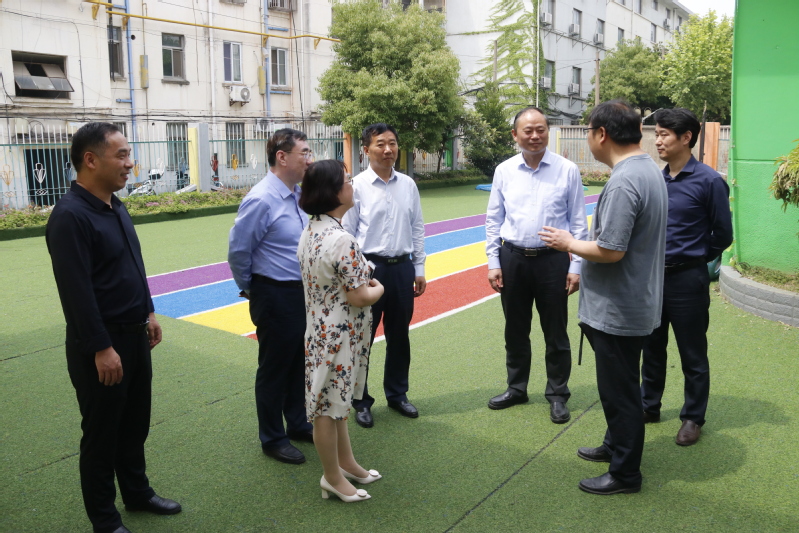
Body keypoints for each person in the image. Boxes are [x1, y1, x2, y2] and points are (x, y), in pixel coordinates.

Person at [46, 123, 181, 533]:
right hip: (101, 343)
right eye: (121, 155)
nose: (129, 163)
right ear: (90, 160)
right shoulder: (70, 216)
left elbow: (132, 265)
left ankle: (137, 493)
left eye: (129, 154)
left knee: (134, 425)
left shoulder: (114, 206)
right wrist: (101, 348)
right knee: (102, 433)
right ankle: (105, 519)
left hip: (135, 333)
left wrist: (149, 312)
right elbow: (77, 293)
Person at [539, 100, 668, 495]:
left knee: (620, 393)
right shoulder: (647, 169)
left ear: (601, 134)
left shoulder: (627, 179)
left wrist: (568, 243)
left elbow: (611, 250)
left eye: (588, 131)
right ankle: (615, 445)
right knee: (622, 385)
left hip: (619, 308)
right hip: (633, 301)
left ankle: (625, 474)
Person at [485, 106, 588, 423]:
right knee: (515, 330)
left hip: (552, 261)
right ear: (515, 135)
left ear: (548, 131)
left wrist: (576, 267)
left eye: (540, 129)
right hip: (512, 259)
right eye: (527, 130)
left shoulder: (567, 170)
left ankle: (557, 394)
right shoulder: (504, 171)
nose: (534, 135)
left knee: (555, 331)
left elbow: (579, 222)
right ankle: (516, 388)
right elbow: (493, 220)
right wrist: (493, 261)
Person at [640, 108, 733, 446]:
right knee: (652, 347)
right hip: (653, 280)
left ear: (686, 138)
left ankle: (693, 417)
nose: (657, 141)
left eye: (664, 134)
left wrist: (694, 259)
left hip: (687, 281)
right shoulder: (656, 179)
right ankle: (649, 406)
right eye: (657, 134)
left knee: (692, 352)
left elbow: (723, 234)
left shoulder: (709, 181)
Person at [297, 160, 385, 502]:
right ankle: (332, 477)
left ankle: (346, 463)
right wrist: (380, 289)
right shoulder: (341, 238)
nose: (352, 185)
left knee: (336, 402)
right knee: (327, 408)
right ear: (334, 192)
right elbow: (359, 295)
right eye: (347, 180)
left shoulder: (311, 230)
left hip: (321, 330)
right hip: (339, 335)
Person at [228, 128, 315, 464]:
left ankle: (297, 423)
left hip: (300, 293)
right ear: (282, 157)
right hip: (274, 293)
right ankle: (272, 438)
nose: (309, 160)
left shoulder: (297, 195)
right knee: (274, 368)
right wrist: (254, 289)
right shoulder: (262, 199)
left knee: (298, 363)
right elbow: (239, 250)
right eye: (304, 153)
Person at [342, 123, 426, 428]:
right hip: (370, 271)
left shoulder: (408, 185)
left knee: (399, 335)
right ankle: (360, 400)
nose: (388, 149)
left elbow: (417, 227)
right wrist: (357, 275)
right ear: (366, 150)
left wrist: (419, 268)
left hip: (402, 269)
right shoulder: (356, 187)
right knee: (362, 338)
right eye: (380, 144)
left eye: (392, 143)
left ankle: (397, 394)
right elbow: (348, 234)